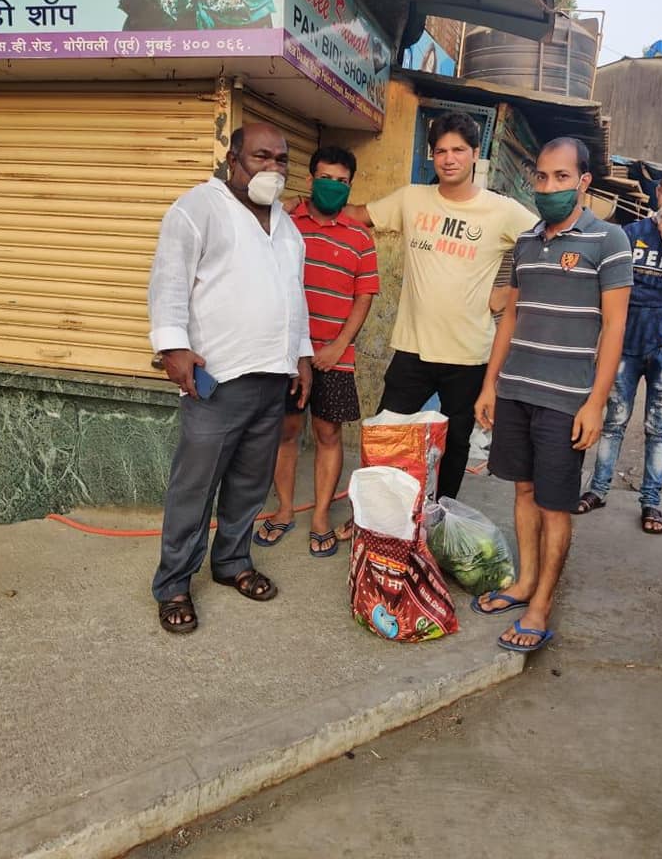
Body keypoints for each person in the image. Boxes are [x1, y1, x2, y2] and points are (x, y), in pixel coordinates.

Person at [323, 111, 536, 508]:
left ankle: (439, 518)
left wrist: (509, 290)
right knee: (387, 435)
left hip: (469, 354)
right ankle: (373, 517)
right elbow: (360, 216)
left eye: (459, 150)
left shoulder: (502, 209)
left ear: (476, 154)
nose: (449, 158)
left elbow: (546, 242)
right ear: (431, 155)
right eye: (441, 151)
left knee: (454, 448)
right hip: (413, 350)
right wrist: (309, 202)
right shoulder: (412, 198)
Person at [148, 122, 313, 633]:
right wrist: (172, 347)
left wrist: (302, 356)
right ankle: (174, 582)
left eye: (282, 159)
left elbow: (294, 298)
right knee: (195, 487)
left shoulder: (286, 225)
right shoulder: (198, 208)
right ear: (232, 159)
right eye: (261, 156)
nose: (274, 168)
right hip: (216, 378)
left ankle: (232, 562)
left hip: (272, 377)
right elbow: (168, 279)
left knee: (249, 483)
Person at [473, 137, 633, 653]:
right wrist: (490, 384)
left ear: (584, 181)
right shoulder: (525, 242)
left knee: (554, 504)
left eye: (561, 177)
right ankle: (523, 582)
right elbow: (510, 316)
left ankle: (540, 604)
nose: (550, 187)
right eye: (542, 178)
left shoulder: (609, 241)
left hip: (567, 397)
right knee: (521, 491)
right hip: (517, 387)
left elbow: (614, 329)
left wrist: (595, 401)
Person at [254, 146, 379, 557]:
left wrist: (340, 345)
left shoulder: (361, 237)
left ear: (350, 186)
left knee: (328, 435)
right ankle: (285, 509)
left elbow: (364, 297)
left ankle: (322, 515)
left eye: (342, 182)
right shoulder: (286, 224)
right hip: (287, 353)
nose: (333, 187)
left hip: (335, 356)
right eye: (326, 178)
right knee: (286, 432)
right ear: (311, 180)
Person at [576, 167, 662, 534]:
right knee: (614, 420)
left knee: (658, 427)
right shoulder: (628, 234)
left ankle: (651, 502)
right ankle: (598, 488)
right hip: (627, 343)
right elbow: (619, 290)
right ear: (656, 193)